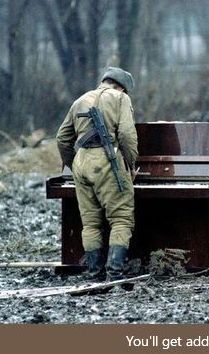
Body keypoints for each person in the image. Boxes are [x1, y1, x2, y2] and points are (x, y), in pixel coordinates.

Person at [56, 67, 138, 282]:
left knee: (91, 224)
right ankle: (115, 274)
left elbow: (62, 139)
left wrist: (73, 165)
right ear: (122, 87)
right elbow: (127, 136)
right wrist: (130, 165)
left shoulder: (80, 100)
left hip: (81, 163)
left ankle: (94, 275)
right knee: (121, 219)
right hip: (107, 160)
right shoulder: (121, 99)